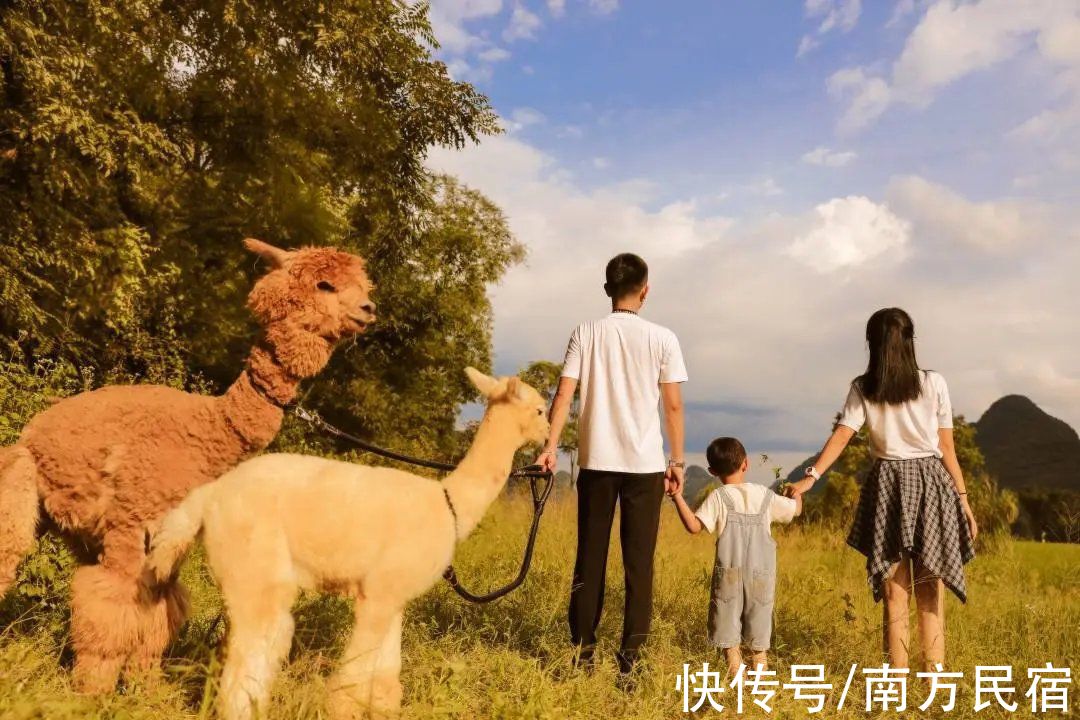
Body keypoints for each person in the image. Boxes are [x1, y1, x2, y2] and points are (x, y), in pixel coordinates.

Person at [785, 307, 977, 671]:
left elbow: (843, 435)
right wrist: (963, 500)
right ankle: (932, 685)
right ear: (910, 341)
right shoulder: (933, 382)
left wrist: (809, 478)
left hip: (887, 484)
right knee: (930, 591)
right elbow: (947, 448)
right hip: (932, 483)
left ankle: (895, 689)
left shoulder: (864, 387)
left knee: (894, 593)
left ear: (871, 344)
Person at [537, 252, 687, 675]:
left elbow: (564, 395)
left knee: (590, 558)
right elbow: (673, 407)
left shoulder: (586, 332)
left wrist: (549, 446)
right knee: (640, 566)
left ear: (607, 290)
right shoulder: (664, 338)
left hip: (596, 464)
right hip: (645, 467)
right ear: (646, 289)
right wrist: (676, 461)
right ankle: (631, 665)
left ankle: (582, 655)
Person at [670, 437, 801, 677]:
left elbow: (693, 526)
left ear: (712, 471)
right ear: (746, 463)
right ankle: (759, 694)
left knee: (731, 644)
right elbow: (795, 510)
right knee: (758, 646)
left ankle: (736, 693)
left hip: (728, 576)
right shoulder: (763, 495)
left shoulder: (719, 497)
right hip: (761, 578)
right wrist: (797, 493)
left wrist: (676, 496)